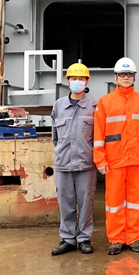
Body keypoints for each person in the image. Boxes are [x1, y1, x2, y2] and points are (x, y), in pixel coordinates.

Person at [94, 57, 139, 255]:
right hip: (114, 161)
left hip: (136, 159)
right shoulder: (105, 102)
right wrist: (100, 159)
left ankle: (134, 238)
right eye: (122, 75)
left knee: (136, 201)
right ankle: (116, 239)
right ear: (115, 77)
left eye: (129, 75)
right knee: (114, 202)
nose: (126, 78)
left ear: (134, 77)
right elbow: (98, 134)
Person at [51, 63, 97, 256]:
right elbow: (55, 136)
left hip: (86, 164)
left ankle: (84, 238)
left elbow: (98, 136)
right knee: (65, 203)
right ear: (67, 80)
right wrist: (62, 152)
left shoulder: (94, 106)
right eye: (74, 78)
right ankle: (68, 239)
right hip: (63, 163)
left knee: (86, 203)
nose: (77, 82)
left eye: (81, 78)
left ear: (87, 81)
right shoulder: (59, 105)